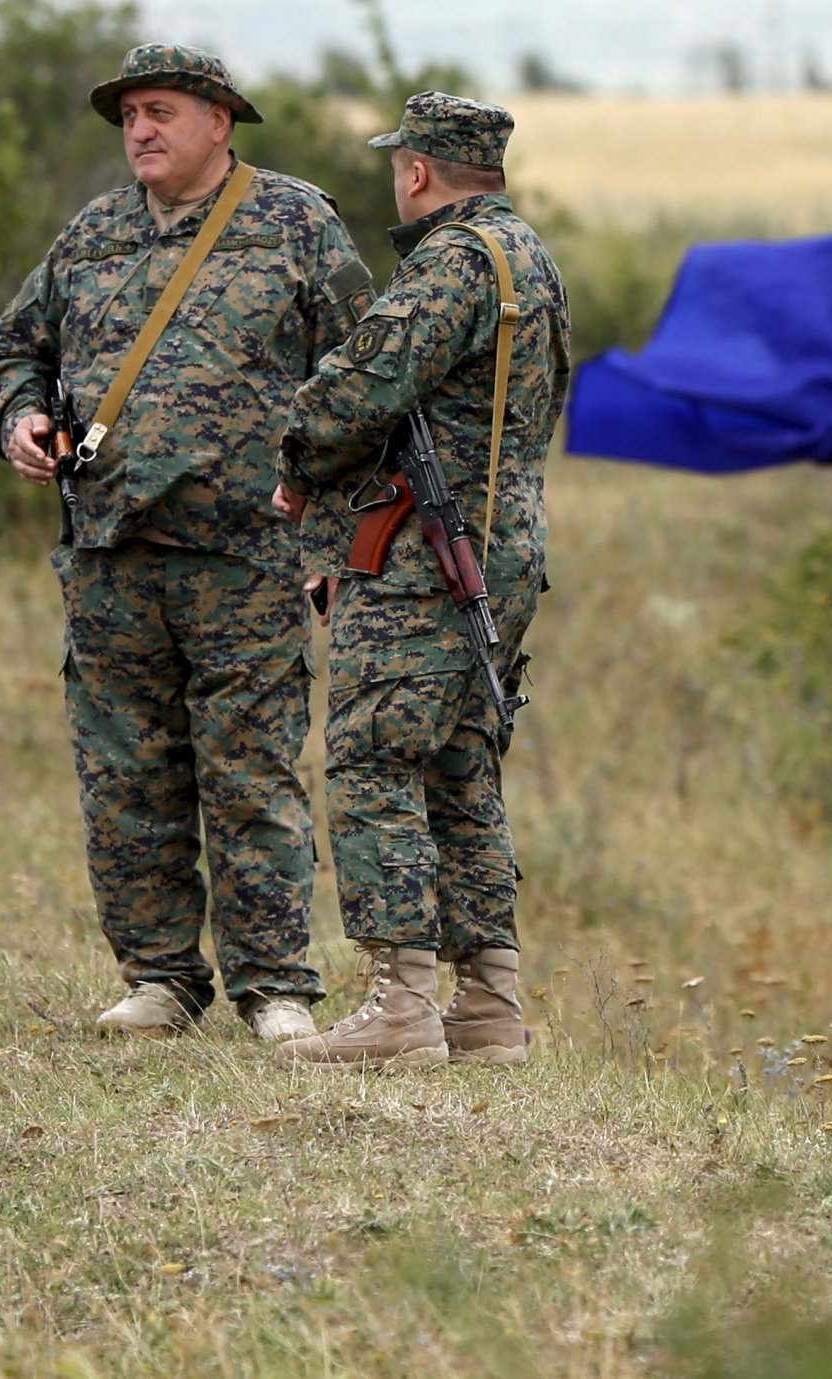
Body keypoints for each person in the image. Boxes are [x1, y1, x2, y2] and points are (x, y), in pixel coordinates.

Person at [0, 44, 374, 1041]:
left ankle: (275, 986)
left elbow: (359, 385)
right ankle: (159, 977)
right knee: (127, 777)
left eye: (158, 111)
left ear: (217, 121)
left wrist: (333, 539)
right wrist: (18, 418)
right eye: (128, 116)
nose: (139, 131)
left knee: (251, 776)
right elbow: (8, 353)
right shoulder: (96, 233)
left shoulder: (292, 224)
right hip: (111, 553)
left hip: (247, 557)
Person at [271, 92, 572, 1067]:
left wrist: (296, 454)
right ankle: (488, 1004)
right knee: (459, 765)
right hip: (507, 541)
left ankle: (399, 1003)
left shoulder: (451, 264)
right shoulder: (531, 260)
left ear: (416, 170)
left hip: (426, 550)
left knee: (372, 752)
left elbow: (354, 391)